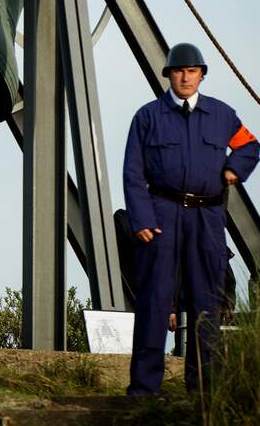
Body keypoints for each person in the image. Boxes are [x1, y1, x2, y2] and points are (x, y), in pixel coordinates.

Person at [123, 43, 258, 395]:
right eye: (179, 71)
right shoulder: (148, 117)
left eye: (192, 71)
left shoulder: (222, 115)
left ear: (201, 75)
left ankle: (204, 389)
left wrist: (234, 168)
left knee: (206, 301)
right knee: (154, 300)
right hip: (162, 215)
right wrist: (140, 219)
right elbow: (133, 172)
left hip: (208, 217)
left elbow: (250, 146)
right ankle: (144, 389)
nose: (185, 77)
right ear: (169, 75)